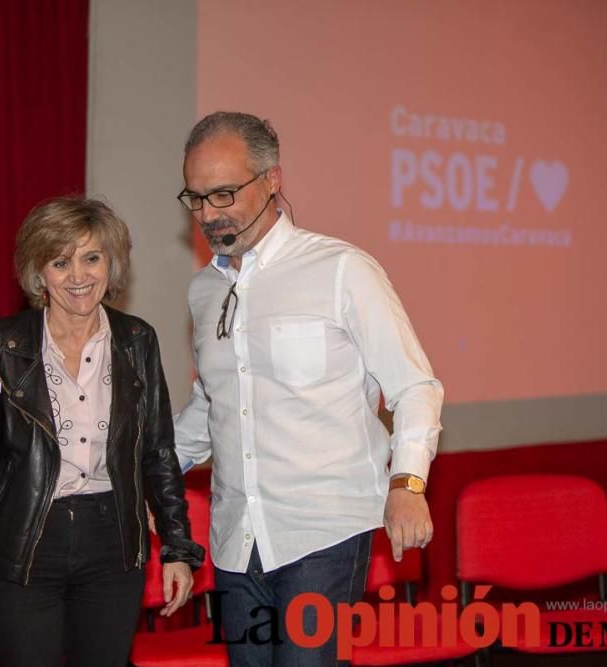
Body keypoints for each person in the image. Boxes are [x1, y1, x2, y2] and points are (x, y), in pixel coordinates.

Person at [173, 112, 444, 666]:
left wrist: (408, 482)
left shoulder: (342, 270)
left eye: (224, 194)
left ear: (272, 180)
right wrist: (137, 471)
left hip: (323, 531)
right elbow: (213, 407)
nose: (208, 214)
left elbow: (415, 385)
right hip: (234, 539)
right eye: (197, 199)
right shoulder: (205, 292)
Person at [0, 196, 204, 667]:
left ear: (112, 265)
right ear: (38, 273)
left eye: (92, 258)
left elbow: (158, 454)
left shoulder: (137, 341)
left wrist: (177, 546)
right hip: (24, 543)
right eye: (60, 262)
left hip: (113, 544)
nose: (79, 276)